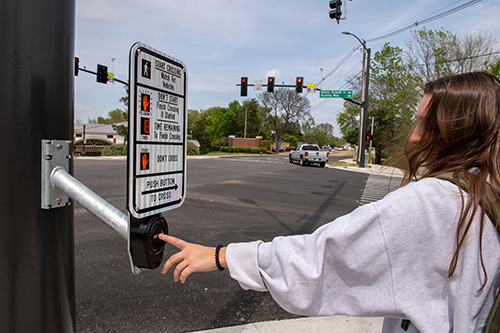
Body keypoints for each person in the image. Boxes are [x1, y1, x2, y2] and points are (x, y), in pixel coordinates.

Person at [159, 71, 500, 333]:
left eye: (426, 125)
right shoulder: (486, 193)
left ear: (458, 130)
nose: (413, 136)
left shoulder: (432, 203)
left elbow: (322, 256)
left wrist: (223, 256)